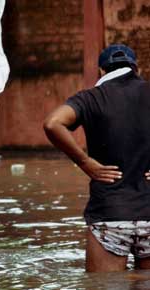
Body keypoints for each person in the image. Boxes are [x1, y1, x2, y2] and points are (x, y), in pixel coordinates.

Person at [43, 44, 150, 272]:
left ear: (101, 71)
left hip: (110, 213)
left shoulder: (90, 98)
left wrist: (84, 162)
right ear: (135, 67)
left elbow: (53, 123)